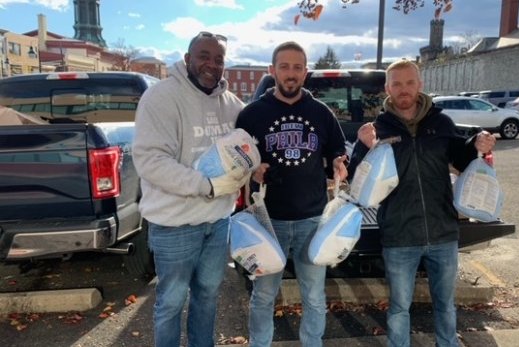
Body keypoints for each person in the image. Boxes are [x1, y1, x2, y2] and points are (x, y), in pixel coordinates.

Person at [349, 59, 496, 347]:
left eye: (409, 82)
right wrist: (362, 147)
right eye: (397, 84)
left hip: (443, 232)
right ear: (387, 88)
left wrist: (478, 143)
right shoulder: (377, 130)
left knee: (445, 305)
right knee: (399, 308)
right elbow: (357, 180)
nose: (404, 89)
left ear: (420, 84)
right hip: (399, 235)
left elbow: (462, 159)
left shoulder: (440, 123)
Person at [132, 31, 246, 347]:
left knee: (207, 297)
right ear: (187, 59)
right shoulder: (160, 98)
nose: (211, 64)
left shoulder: (232, 105)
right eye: (204, 56)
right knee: (170, 302)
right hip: (174, 225)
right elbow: (150, 160)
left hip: (218, 221)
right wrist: (206, 186)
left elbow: (245, 152)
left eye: (219, 59)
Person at [235, 41, 348, 347]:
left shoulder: (321, 112)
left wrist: (339, 162)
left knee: (313, 296)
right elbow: (237, 161)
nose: (291, 73)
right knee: (263, 297)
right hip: (267, 221)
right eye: (284, 66)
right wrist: (252, 169)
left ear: (305, 72)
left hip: (312, 219)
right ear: (272, 71)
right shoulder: (251, 114)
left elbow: (337, 150)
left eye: (297, 67)